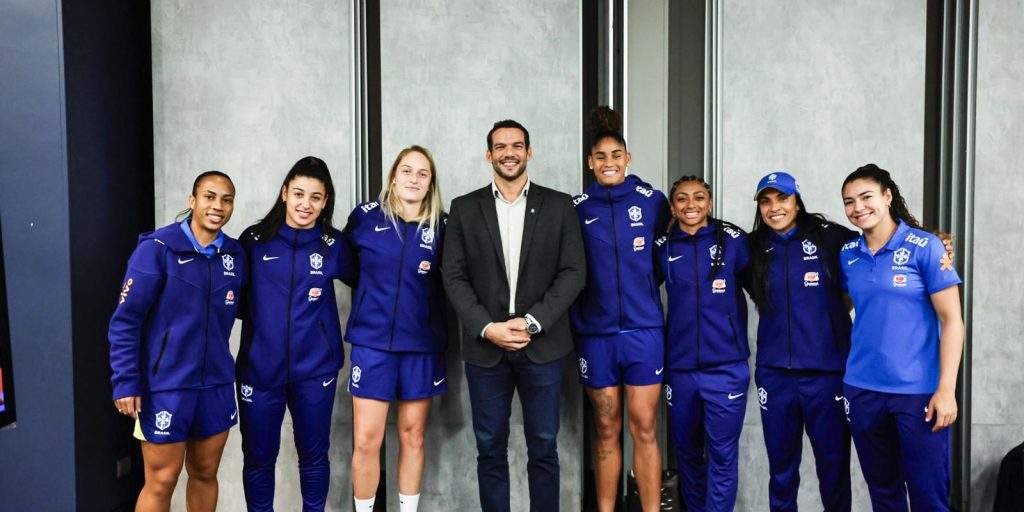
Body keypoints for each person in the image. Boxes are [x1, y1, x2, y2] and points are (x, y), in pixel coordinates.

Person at [442, 119, 586, 512]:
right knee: (490, 447)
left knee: (544, 446)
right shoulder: (464, 208)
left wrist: (532, 322)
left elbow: (574, 271)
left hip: (543, 346)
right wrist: (487, 327)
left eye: (517, 145)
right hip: (485, 349)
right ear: (489, 154)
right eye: (501, 147)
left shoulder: (559, 206)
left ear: (529, 152)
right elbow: (453, 276)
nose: (509, 153)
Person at [109, 171, 245, 512]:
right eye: (209, 197)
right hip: (165, 385)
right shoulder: (157, 249)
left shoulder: (234, 255)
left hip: (215, 385)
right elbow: (126, 321)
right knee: (162, 480)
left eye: (226, 200)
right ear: (192, 201)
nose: (217, 206)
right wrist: (125, 381)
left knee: (205, 474)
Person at [838, 164, 964, 511]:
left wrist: (946, 389)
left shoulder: (926, 247)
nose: (858, 207)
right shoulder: (848, 254)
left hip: (918, 393)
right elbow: (846, 304)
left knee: (929, 497)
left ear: (887, 196)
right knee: (884, 494)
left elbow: (952, 321)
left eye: (866, 197)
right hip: (862, 390)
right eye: (849, 202)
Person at [235, 156, 349, 512]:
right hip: (259, 370)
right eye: (299, 194)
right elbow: (233, 300)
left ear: (326, 201)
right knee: (258, 458)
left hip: (315, 370)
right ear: (284, 193)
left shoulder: (333, 244)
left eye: (315, 197)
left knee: (313, 456)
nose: (305, 204)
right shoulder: (254, 240)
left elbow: (372, 283)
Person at [571, 106, 669, 512]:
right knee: (606, 427)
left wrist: (640, 291)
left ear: (628, 158)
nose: (608, 163)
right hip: (596, 335)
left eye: (616, 155)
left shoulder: (653, 202)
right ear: (590, 162)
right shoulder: (577, 208)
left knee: (644, 426)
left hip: (644, 332)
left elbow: (666, 259)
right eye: (600, 157)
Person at [343, 146, 447, 512]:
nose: (414, 179)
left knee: (413, 436)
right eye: (407, 171)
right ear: (393, 176)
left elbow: (453, 282)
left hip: (421, 347)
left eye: (422, 173)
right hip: (373, 345)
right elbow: (347, 269)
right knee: (366, 441)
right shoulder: (365, 218)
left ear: (431, 182)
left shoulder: (443, 226)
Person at [747, 171, 855, 512]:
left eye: (783, 198)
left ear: (797, 201)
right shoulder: (752, 247)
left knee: (833, 470)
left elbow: (878, 241)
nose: (774, 207)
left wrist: (930, 239)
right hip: (775, 376)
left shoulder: (830, 238)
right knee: (781, 472)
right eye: (766, 201)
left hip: (826, 375)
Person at [654, 175, 751, 512]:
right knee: (688, 454)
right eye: (682, 198)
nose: (690, 204)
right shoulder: (663, 247)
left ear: (709, 203)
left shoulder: (734, 240)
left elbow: (762, 287)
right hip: (680, 369)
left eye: (698, 197)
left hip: (726, 368)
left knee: (722, 455)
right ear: (672, 207)